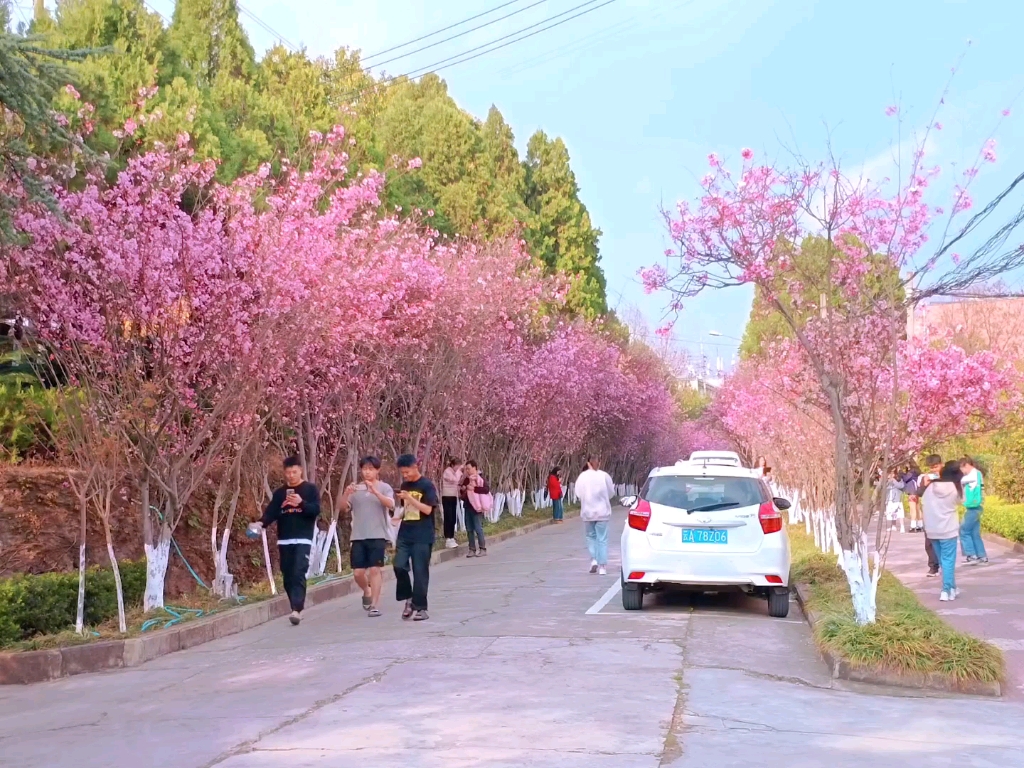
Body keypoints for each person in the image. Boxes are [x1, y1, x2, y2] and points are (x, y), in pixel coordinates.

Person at [249, 456, 321, 625]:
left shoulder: (310, 490)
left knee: (298, 571)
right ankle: (293, 606)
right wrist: (260, 523)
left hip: (303, 538)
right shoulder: (280, 493)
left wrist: (301, 503)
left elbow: (315, 510)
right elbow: (271, 512)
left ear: (300, 471)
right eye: (288, 472)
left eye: (294, 472)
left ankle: (297, 609)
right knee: (288, 575)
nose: (291, 476)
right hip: (284, 539)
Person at [341, 456, 395, 618]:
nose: (367, 472)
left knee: (374, 570)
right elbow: (344, 508)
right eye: (365, 469)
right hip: (358, 536)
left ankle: (375, 605)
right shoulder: (355, 490)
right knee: (358, 573)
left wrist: (375, 492)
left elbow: (391, 504)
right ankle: (366, 590)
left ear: (377, 470)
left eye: (371, 469)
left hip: (378, 535)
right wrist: (345, 494)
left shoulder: (384, 487)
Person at [394, 453, 439, 621]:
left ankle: (421, 608)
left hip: (422, 534)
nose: (405, 476)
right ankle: (409, 598)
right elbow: (406, 507)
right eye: (402, 473)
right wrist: (398, 515)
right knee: (398, 565)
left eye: (407, 472)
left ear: (415, 467)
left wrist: (410, 498)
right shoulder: (405, 485)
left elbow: (428, 510)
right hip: (405, 533)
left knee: (420, 572)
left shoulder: (427, 485)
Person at [919, 460, 964, 601]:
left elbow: (923, 502)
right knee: (948, 561)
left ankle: (952, 588)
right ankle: (945, 590)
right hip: (948, 529)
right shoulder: (955, 488)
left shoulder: (931, 487)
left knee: (944, 562)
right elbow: (962, 501)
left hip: (932, 530)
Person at [575, 457, 615, 576]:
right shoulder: (604, 476)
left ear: (588, 463)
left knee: (590, 537)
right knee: (602, 539)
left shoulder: (582, 477)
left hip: (588, 512)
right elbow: (611, 492)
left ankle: (594, 560)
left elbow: (578, 493)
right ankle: (602, 567)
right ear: (600, 463)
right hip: (603, 512)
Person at [916, 454, 944, 577]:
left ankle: (945, 565)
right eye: (931, 467)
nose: (934, 470)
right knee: (929, 543)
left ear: (941, 464)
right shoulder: (926, 478)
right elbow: (919, 493)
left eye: (936, 467)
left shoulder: (947, 477)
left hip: (943, 514)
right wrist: (925, 484)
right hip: (929, 514)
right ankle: (933, 567)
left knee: (943, 542)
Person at [959, 456, 989, 565]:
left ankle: (971, 555)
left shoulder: (974, 474)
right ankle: (982, 557)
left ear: (966, 465)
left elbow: (961, 480)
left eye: (962, 469)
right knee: (974, 533)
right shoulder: (976, 474)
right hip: (975, 507)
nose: (962, 472)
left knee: (964, 530)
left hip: (973, 507)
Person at [459, 460, 489, 557]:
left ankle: (482, 548)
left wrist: (474, 489)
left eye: (469, 468)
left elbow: (486, 490)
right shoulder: (467, 479)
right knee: (469, 529)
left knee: (478, 528)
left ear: (475, 468)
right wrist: (463, 489)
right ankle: (472, 549)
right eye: (466, 469)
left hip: (477, 507)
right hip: (468, 506)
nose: (467, 471)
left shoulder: (480, 478)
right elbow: (462, 491)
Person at [441, 458, 462, 550]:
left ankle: (452, 537)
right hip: (447, 496)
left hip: (454, 496)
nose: (458, 468)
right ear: (452, 465)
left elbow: (460, 479)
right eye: (457, 466)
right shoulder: (447, 472)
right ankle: (447, 538)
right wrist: (460, 473)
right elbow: (455, 480)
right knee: (448, 517)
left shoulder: (457, 472)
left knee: (453, 517)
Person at [900, 464, 922, 532]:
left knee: (913, 509)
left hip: (912, 491)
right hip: (916, 491)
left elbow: (906, 478)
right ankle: (920, 525)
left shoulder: (911, 471)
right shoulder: (916, 471)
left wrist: (900, 472)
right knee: (918, 508)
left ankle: (913, 526)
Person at [885, 469, 906, 534]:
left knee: (900, 513)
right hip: (890, 499)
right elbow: (884, 488)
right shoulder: (888, 482)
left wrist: (894, 481)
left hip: (897, 500)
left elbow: (901, 486)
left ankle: (902, 526)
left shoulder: (899, 480)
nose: (890, 475)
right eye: (889, 474)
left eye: (892, 474)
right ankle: (893, 526)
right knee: (892, 513)